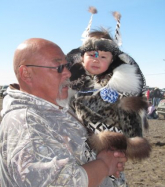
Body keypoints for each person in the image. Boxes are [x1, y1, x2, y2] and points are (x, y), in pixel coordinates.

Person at [0, 38, 127, 187]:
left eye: (67, 65)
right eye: (59, 67)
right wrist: (104, 165)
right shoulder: (26, 121)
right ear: (26, 73)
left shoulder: (52, 108)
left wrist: (105, 160)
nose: (68, 73)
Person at [67, 11, 151, 186]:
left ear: (112, 60)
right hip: (75, 152)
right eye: (92, 55)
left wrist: (130, 141)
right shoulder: (71, 84)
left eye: (103, 56)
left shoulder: (121, 87)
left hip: (109, 150)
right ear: (82, 58)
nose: (96, 60)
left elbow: (132, 119)